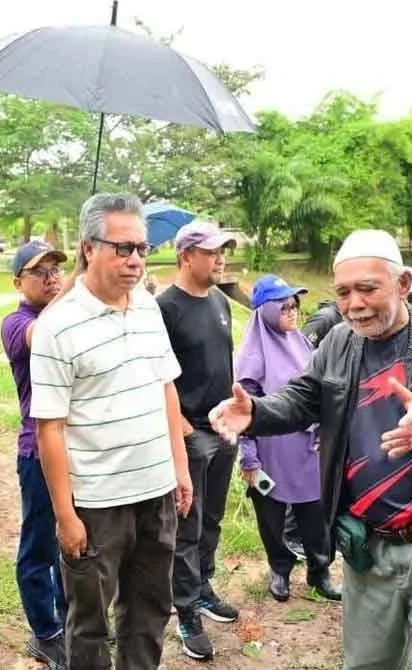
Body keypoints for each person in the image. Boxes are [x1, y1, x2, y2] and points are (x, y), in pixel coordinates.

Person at [209, 228, 412, 670]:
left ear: (402, 285)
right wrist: (257, 413)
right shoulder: (339, 343)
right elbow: (304, 397)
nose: (354, 304)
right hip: (367, 550)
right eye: (343, 292)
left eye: (367, 289)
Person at [30, 193, 193, 669]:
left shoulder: (147, 308)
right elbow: (50, 429)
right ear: (88, 249)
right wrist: (65, 514)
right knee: (90, 622)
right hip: (98, 502)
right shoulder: (58, 327)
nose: (136, 260)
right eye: (122, 248)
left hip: (156, 492)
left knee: (150, 610)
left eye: (141, 249)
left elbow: (165, 389)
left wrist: (179, 469)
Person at [156, 220, 240, 661]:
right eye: (211, 251)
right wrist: (183, 429)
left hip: (223, 429)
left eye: (222, 250)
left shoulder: (219, 300)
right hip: (189, 433)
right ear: (186, 255)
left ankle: (203, 586)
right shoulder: (164, 308)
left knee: (212, 520)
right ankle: (186, 611)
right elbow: (156, 377)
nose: (220, 258)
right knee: (186, 527)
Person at [236, 274, 340, 602]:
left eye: (295, 306)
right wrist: (249, 459)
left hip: (309, 451)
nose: (293, 313)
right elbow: (245, 415)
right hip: (272, 454)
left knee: (315, 515)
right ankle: (279, 569)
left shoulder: (303, 345)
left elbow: (321, 393)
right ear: (266, 312)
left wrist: (326, 431)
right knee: (272, 518)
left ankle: (319, 571)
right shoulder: (252, 357)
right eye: (284, 307)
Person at [1, 240, 69, 669]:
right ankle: (44, 632)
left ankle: (68, 615)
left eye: (56, 270)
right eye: (39, 272)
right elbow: (40, 336)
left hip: (76, 448)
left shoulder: (68, 317)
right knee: (39, 546)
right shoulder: (17, 322)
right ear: (17, 282)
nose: (51, 278)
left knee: (74, 539)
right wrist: (80, 283)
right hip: (38, 451)